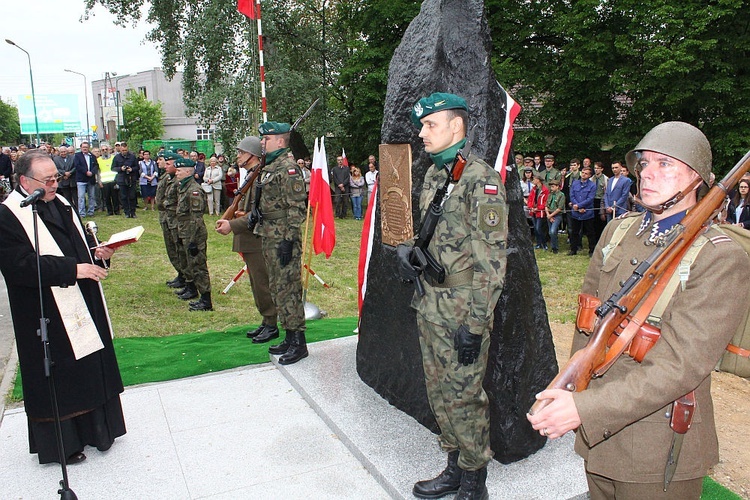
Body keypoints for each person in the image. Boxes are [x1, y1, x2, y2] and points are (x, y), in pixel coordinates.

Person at [527, 121, 750, 499]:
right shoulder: (619, 232)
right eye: (644, 163)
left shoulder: (718, 255)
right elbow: (588, 328)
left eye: (665, 164)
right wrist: (568, 388)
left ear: (696, 178)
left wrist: (586, 408)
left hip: (656, 447)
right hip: (595, 438)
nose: (647, 174)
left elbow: (680, 366)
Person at [396, 93, 507, 499]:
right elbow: (436, 229)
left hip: (463, 308)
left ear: (456, 127)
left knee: (464, 393)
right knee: (439, 389)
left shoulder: (482, 179)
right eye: (422, 126)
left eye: (430, 125)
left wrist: (475, 325)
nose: (422, 133)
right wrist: (410, 248)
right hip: (430, 301)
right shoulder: (436, 174)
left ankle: (475, 481)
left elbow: (492, 262)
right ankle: (454, 467)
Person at [0, 150, 126, 464]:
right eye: (48, 180)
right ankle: (64, 446)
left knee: (90, 366)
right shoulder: (8, 215)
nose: (56, 183)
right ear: (25, 181)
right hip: (44, 311)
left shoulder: (61, 202)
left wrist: (97, 254)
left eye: (56, 177)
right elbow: (19, 267)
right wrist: (72, 269)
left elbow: (75, 245)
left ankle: (99, 432)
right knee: (61, 376)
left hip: (83, 297)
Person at [251, 121, 308, 364]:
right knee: (277, 287)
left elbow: (297, 208)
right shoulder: (272, 166)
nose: (262, 142)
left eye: (266, 139)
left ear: (280, 141)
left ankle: (299, 342)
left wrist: (288, 240)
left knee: (288, 289)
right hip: (269, 234)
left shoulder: (288, 168)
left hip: (283, 237)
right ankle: (289, 335)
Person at [215, 136, 279, 342]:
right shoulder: (251, 176)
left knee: (262, 283)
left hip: (258, 237)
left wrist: (232, 225)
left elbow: (258, 213)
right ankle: (266, 320)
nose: (238, 156)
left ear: (252, 155)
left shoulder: (260, 177)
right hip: (249, 238)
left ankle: (272, 322)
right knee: (256, 282)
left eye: (242, 152)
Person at [174, 157, 212, 311]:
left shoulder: (193, 190)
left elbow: (196, 218)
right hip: (185, 232)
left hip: (193, 234)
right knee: (190, 264)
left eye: (179, 170)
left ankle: (206, 300)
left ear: (188, 171)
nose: (176, 173)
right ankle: (195, 291)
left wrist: (194, 240)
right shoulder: (183, 187)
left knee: (198, 266)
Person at [156, 151, 187, 290]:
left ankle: (186, 277)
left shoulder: (177, 180)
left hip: (173, 218)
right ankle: (181, 275)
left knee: (178, 249)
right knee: (172, 249)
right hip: (166, 217)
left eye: (164, 161)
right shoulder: (167, 177)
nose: (159, 162)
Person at [568, 165, 597, 256]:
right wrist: (576, 205)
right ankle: (573, 249)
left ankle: (592, 250)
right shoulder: (575, 183)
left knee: (590, 232)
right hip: (576, 212)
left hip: (587, 212)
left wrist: (580, 206)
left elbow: (590, 198)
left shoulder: (592, 185)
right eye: (583, 173)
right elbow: (572, 195)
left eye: (586, 174)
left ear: (589, 175)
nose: (583, 175)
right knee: (574, 232)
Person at [112, 142, 140, 218]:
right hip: (121, 179)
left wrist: (132, 169)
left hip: (131, 178)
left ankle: (133, 212)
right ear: (120, 149)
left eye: (125, 150)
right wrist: (120, 168)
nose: (124, 152)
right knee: (123, 197)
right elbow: (113, 168)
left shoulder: (132, 157)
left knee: (132, 196)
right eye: (123, 150)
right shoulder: (117, 157)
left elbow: (137, 167)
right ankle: (127, 212)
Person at [72, 141, 99, 217]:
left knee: (92, 196)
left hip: (91, 179)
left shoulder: (92, 156)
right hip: (81, 179)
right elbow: (77, 166)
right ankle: (82, 213)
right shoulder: (77, 156)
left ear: (89, 148)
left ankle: (91, 212)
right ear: (81, 148)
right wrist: (86, 172)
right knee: (81, 197)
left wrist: (92, 172)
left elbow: (96, 166)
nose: (85, 149)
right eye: (83, 147)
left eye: (86, 147)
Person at [528, 173, 549, 250]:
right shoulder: (533, 189)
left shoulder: (545, 190)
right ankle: (538, 243)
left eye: (534, 179)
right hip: (533, 211)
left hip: (540, 212)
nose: (533, 180)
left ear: (538, 180)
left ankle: (544, 244)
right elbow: (530, 199)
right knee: (536, 229)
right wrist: (531, 207)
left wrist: (538, 208)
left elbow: (545, 202)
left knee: (539, 228)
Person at [545, 179, 565, 254]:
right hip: (549, 214)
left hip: (557, 215)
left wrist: (551, 215)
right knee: (551, 232)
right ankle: (553, 246)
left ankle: (555, 248)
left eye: (553, 186)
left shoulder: (561, 195)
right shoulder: (550, 195)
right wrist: (548, 215)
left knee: (553, 231)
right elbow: (546, 205)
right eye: (551, 187)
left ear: (557, 187)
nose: (551, 188)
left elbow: (559, 208)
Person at [331, 155, 350, 219]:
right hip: (338, 187)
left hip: (345, 187)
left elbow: (348, 178)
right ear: (337, 161)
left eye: (341, 160)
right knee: (337, 201)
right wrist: (339, 185)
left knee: (345, 201)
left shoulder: (347, 168)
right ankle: (337, 214)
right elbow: (334, 178)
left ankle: (344, 215)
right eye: (338, 160)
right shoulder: (335, 169)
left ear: (343, 160)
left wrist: (343, 184)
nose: (340, 161)